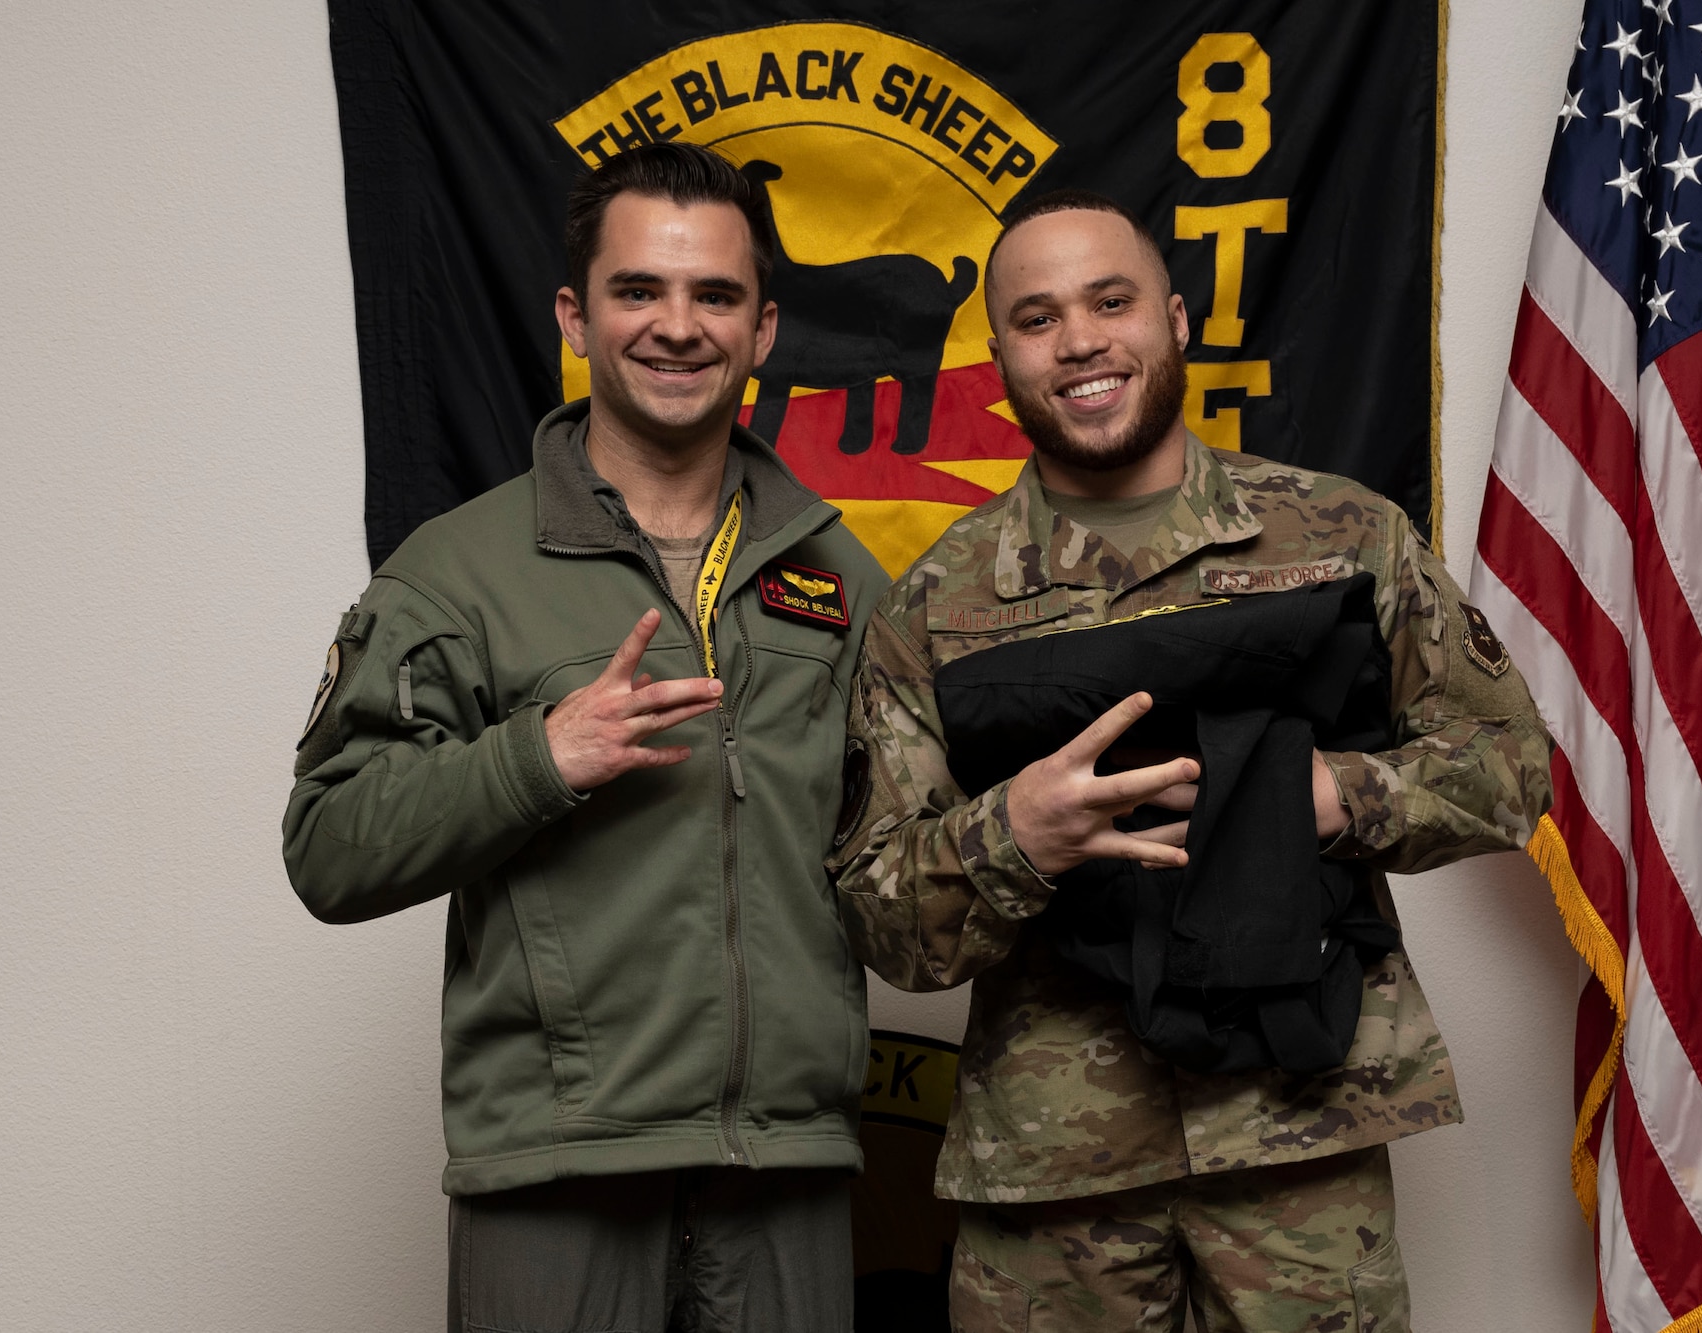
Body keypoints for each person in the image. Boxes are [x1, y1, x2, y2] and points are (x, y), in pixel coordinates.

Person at [829, 189, 1554, 1331]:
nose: (1078, 340)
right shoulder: (935, 605)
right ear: (999, 358)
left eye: (1109, 301)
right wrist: (1010, 837)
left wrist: (1336, 794)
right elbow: (881, 921)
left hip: (1300, 1153)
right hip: (1052, 1179)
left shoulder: (1340, 537)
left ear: (1172, 319)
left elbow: (1514, 765)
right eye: (1036, 317)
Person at [284, 142, 886, 1333]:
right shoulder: (457, 569)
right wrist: (534, 758)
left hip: (789, 1166)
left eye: (716, 295)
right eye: (637, 290)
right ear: (575, 314)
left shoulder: (840, 573)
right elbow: (329, 846)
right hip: (555, 1166)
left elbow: (893, 856)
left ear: (763, 329)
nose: (678, 326)